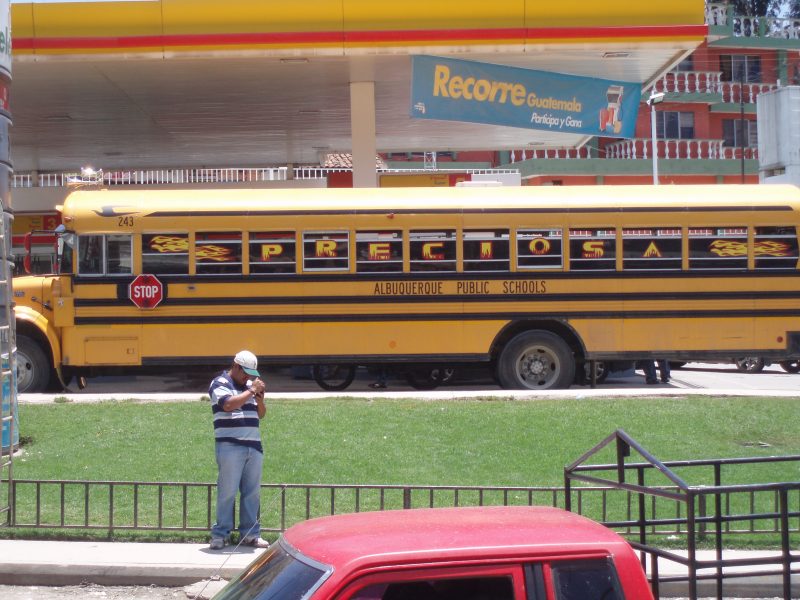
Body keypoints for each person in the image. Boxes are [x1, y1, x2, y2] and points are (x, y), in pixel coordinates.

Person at [208, 350, 269, 549]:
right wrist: (251, 392)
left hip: (254, 445)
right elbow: (227, 405)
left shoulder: (250, 387)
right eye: (245, 373)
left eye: (251, 374)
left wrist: (259, 398)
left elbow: (261, 414)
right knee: (227, 491)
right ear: (235, 366)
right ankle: (220, 534)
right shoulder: (220, 384)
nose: (248, 377)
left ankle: (250, 534)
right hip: (230, 445)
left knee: (252, 493)